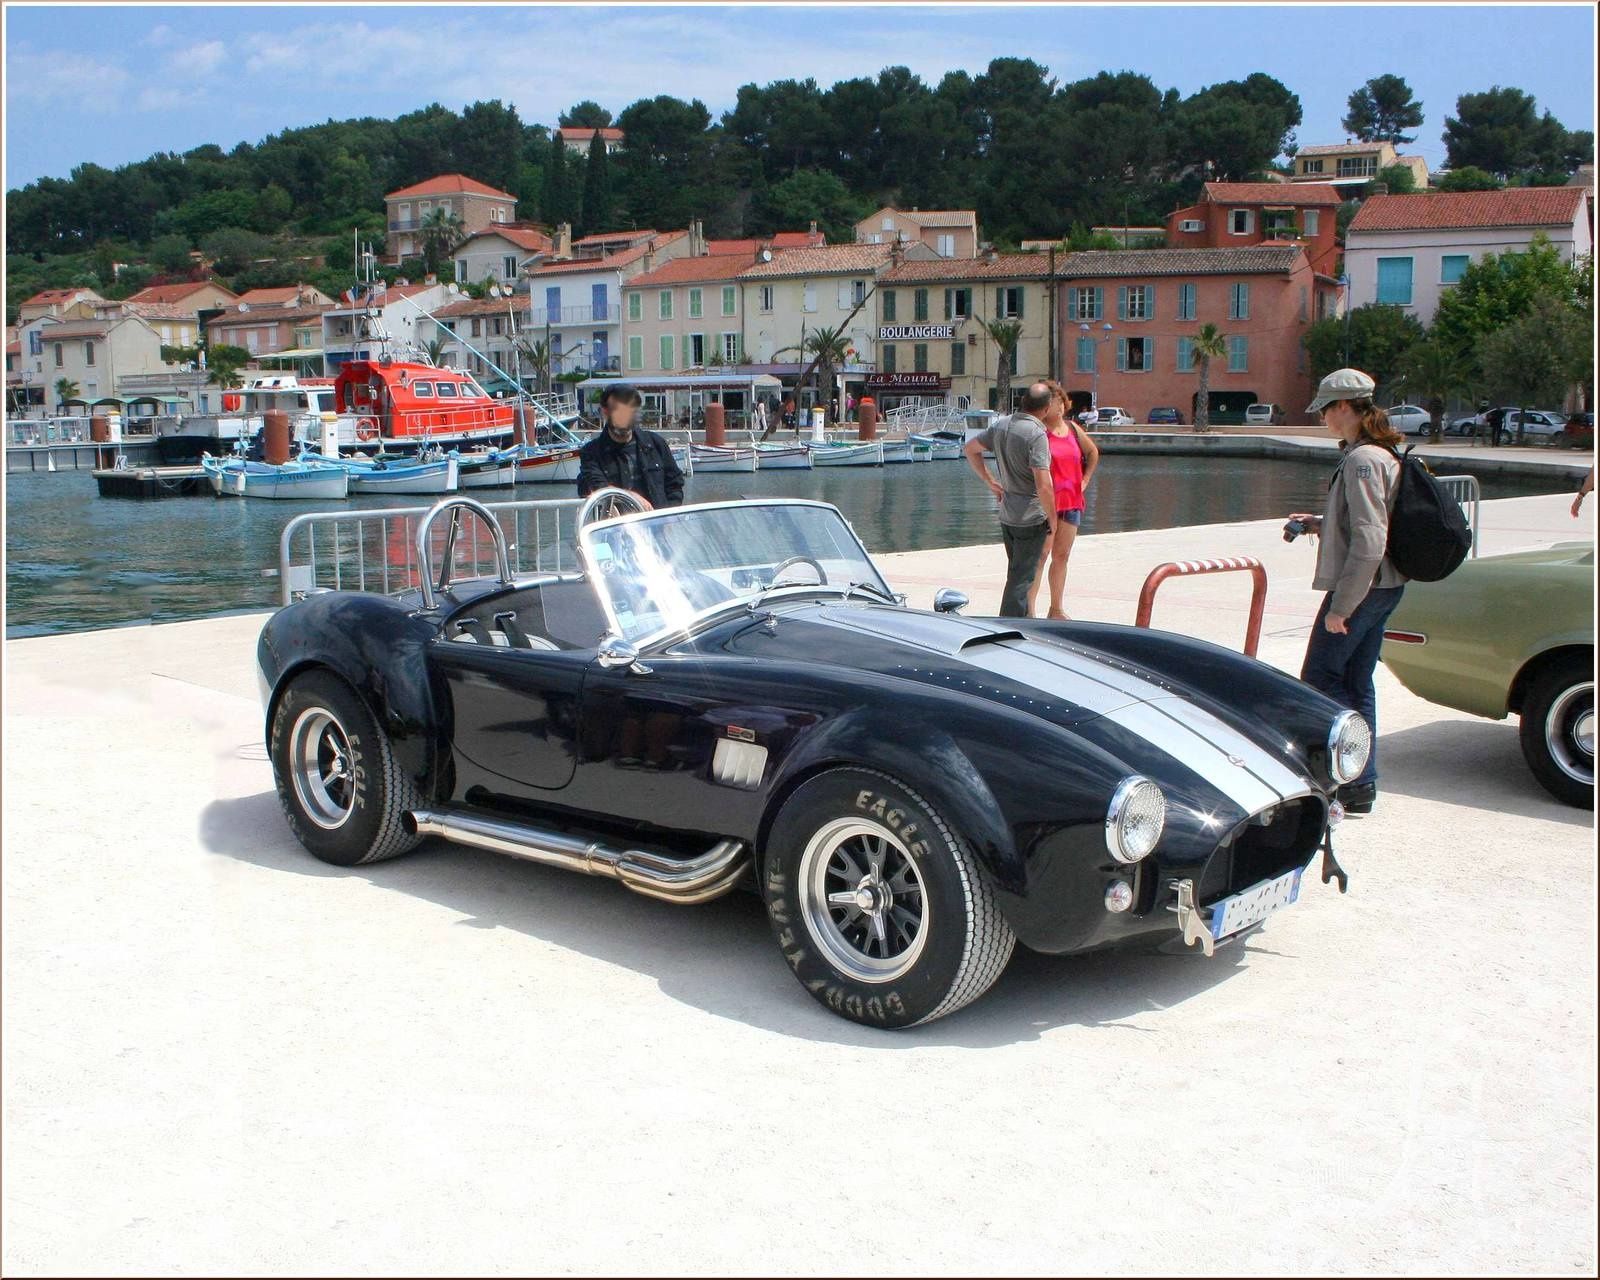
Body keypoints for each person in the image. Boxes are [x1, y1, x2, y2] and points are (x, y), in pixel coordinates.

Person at [1287, 368, 1408, 814]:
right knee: (1358, 684)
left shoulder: (1361, 460)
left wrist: (1341, 607)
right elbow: (1374, 528)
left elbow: (1371, 540)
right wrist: (1322, 524)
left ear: (1343, 407)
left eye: (1324, 410)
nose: (1322, 419)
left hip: (1361, 590)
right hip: (1388, 587)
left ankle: (1330, 778)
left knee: (1319, 683)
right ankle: (1360, 785)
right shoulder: (1382, 453)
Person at [963, 382, 1058, 618]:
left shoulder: (1001, 426)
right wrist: (1054, 518)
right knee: (1021, 579)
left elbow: (970, 449)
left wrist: (990, 481)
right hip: (1031, 516)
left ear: (1023, 402)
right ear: (1046, 409)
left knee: (1017, 572)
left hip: (1007, 515)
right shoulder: (1037, 434)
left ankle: (1025, 623)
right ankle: (1009, 626)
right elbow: (1043, 484)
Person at [1027, 380, 1100, 619]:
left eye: (1056, 400)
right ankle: (1029, 612)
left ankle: (1056, 608)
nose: (1053, 406)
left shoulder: (1072, 429)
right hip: (1046, 505)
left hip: (1072, 502)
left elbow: (1092, 453)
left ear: (1062, 403)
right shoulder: (1038, 433)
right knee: (1040, 556)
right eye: (1048, 402)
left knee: (1062, 556)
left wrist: (1085, 480)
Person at [577, 383, 685, 509]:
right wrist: (631, 497)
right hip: (616, 526)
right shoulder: (591, 452)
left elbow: (675, 484)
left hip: (657, 525)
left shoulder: (656, 444)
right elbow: (600, 489)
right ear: (605, 412)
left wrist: (668, 515)